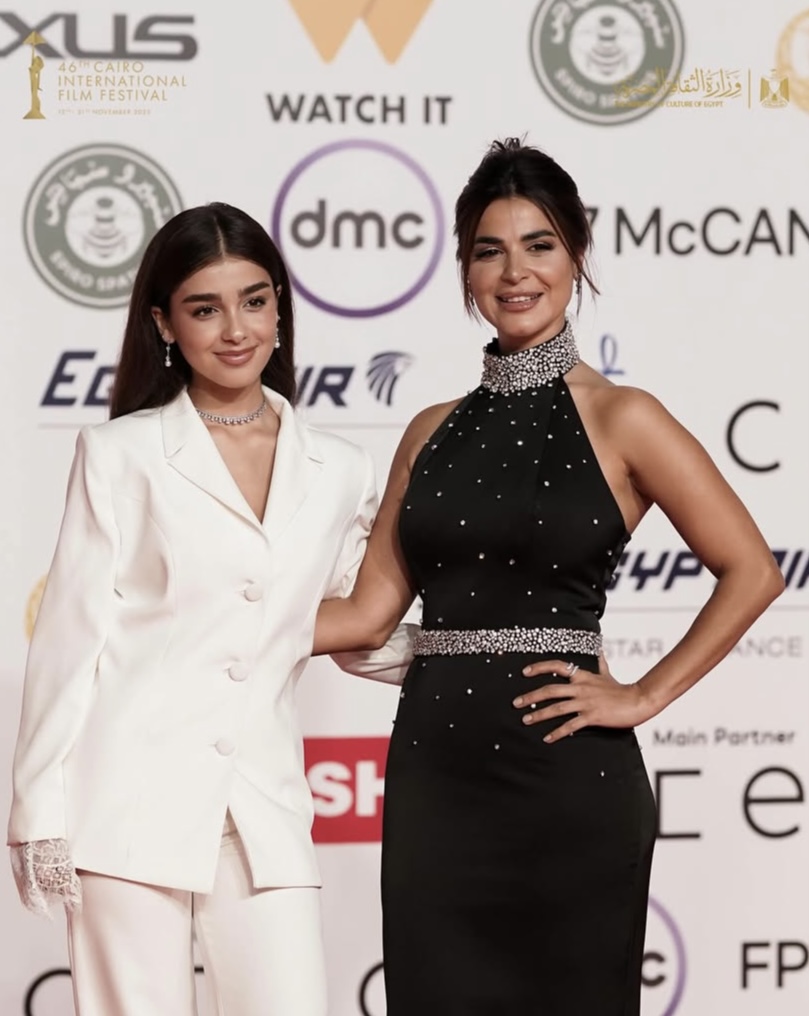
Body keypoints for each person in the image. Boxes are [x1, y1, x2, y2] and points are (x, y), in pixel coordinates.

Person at [313, 139, 785, 1015]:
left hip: (568, 784)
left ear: (575, 255)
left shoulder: (623, 417)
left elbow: (751, 570)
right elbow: (367, 615)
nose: (514, 272)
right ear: (464, 271)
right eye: (488, 251)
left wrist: (641, 695)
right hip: (434, 783)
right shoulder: (429, 430)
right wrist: (205, 615)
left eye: (539, 245)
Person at [7, 202, 414, 1016]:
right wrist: (36, 807)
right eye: (204, 308)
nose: (236, 329)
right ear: (164, 323)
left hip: (264, 803)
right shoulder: (120, 454)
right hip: (124, 799)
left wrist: (482, 650)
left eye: (254, 301)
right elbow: (69, 642)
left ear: (279, 309)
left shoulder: (339, 468)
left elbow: (357, 629)